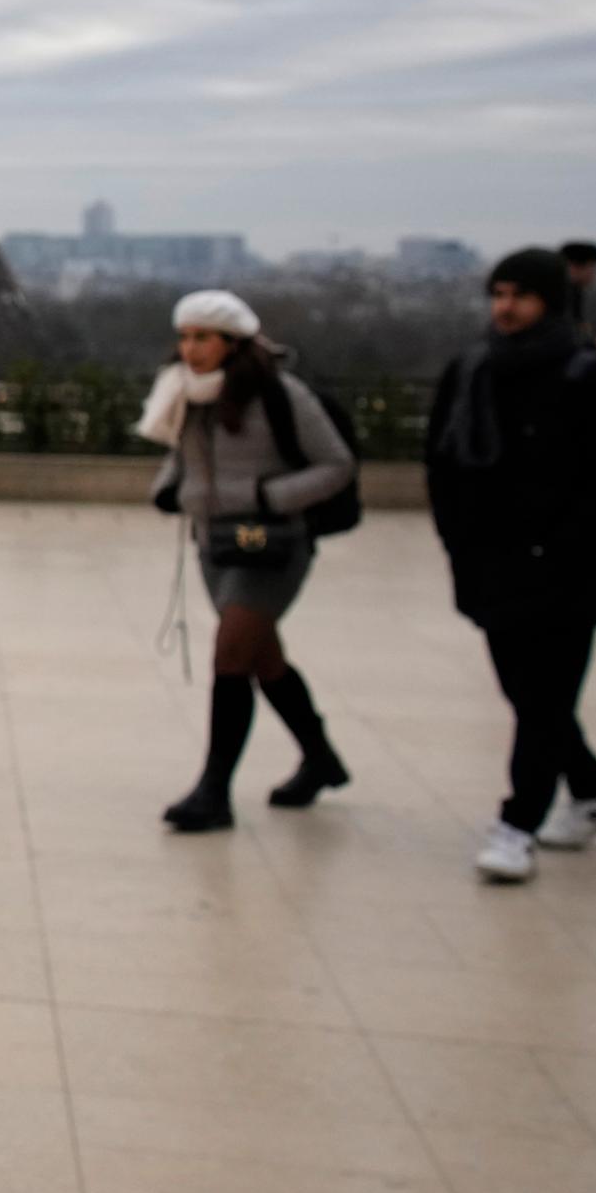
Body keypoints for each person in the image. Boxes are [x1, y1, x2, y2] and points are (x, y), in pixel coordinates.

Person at [427, 247, 596, 883]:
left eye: (519, 296)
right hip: (494, 559)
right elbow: (443, 462)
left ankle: (515, 825)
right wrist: (458, 539)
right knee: (531, 695)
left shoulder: (592, 378)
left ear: (549, 302)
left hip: (564, 566)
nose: (505, 308)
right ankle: (594, 795)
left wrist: (569, 539)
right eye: (498, 294)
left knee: (545, 698)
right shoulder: (472, 369)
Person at [137, 289, 357, 831]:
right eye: (185, 337)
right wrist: (168, 489)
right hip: (214, 540)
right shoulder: (184, 394)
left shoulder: (283, 395)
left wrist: (267, 497)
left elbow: (336, 464)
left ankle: (214, 791)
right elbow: (181, 455)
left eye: (203, 337)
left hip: (267, 537)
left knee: (230, 654)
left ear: (234, 343)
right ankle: (321, 758)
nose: (191, 349)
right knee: (263, 659)